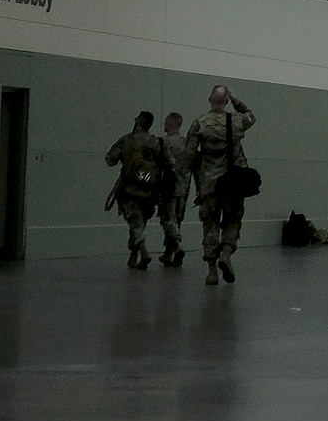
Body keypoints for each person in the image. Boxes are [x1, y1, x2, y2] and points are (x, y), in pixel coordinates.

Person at [184, 84, 258, 285]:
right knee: (233, 220)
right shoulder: (235, 120)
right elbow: (251, 116)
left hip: (210, 185)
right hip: (233, 183)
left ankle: (211, 272)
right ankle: (226, 254)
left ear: (209, 99)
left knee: (210, 225)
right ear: (226, 101)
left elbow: (189, 155)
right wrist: (236, 100)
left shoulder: (199, 123)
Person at [102, 109, 180, 269]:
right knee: (141, 221)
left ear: (137, 122)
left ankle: (143, 252)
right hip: (150, 190)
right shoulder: (156, 141)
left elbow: (110, 160)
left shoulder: (126, 140)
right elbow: (170, 162)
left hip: (129, 189)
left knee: (135, 223)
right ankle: (134, 255)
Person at [152, 112, 191, 264]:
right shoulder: (187, 143)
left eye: (167, 122)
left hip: (168, 186)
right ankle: (168, 253)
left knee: (167, 219)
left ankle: (177, 246)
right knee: (177, 219)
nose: (164, 125)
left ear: (173, 123)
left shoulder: (162, 142)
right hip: (184, 186)